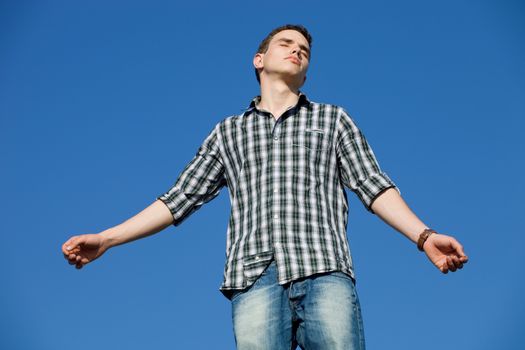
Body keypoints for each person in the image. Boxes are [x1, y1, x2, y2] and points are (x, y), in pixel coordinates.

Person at [62, 24, 468, 350]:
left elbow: (373, 186)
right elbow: (178, 200)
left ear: (307, 71)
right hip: (254, 279)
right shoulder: (228, 132)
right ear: (259, 60)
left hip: (324, 271)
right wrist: (108, 239)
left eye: (304, 50)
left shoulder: (332, 120)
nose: (297, 50)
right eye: (286, 43)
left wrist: (424, 235)